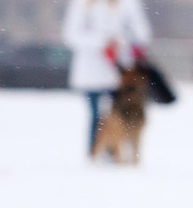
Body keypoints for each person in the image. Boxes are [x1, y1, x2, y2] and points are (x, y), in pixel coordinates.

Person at [62, 0, 152, 155]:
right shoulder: (81, 4)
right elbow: (71, 35)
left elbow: (142, 32)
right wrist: (101, 42)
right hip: (91, 71)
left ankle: (115, 152)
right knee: (96, 115)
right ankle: (95, 152)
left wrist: (121, 41)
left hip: (121, 73)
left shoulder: (128, 3)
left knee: (120, 114)